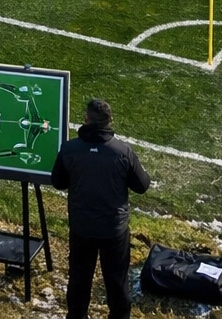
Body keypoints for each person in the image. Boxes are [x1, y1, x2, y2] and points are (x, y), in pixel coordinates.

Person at [50, 97, 150, 319]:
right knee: (116, 281)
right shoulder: (123, 152)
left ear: (86, 119)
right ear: (109, 121)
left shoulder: (69, 149)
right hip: (113, 230)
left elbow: (58, 182)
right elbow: (142, 186)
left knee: (79, 279)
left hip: (82, 228)